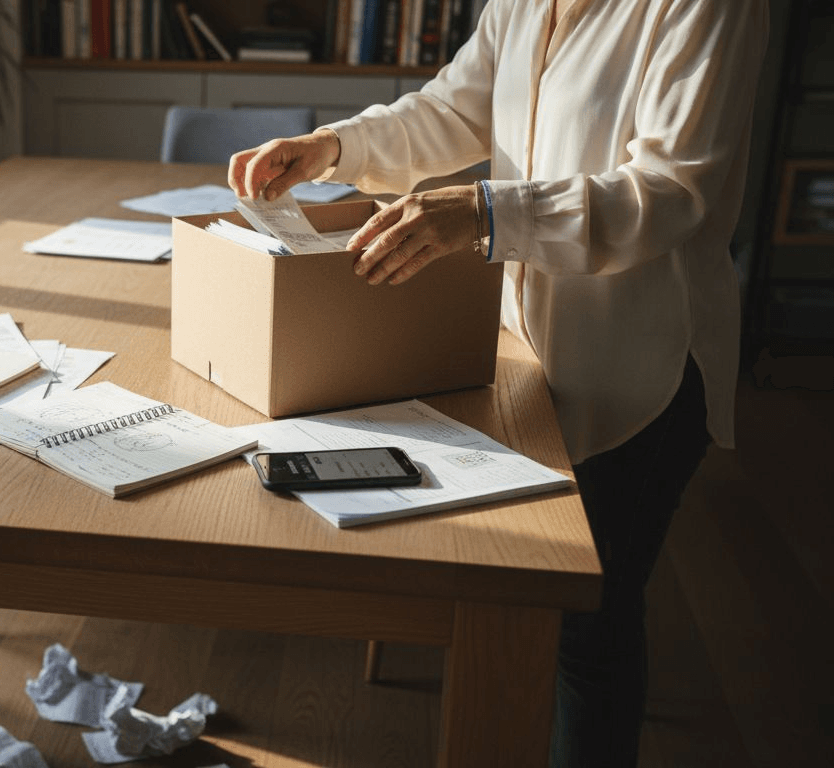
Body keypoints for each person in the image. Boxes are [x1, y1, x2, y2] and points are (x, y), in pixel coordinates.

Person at [228, 1, 768, 765]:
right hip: (528, 358)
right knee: (526, 603)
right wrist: (331, 147)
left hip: (642, 365)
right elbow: (454, 108)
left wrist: (484, 211)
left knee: (589, 632)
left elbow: (671, 190)